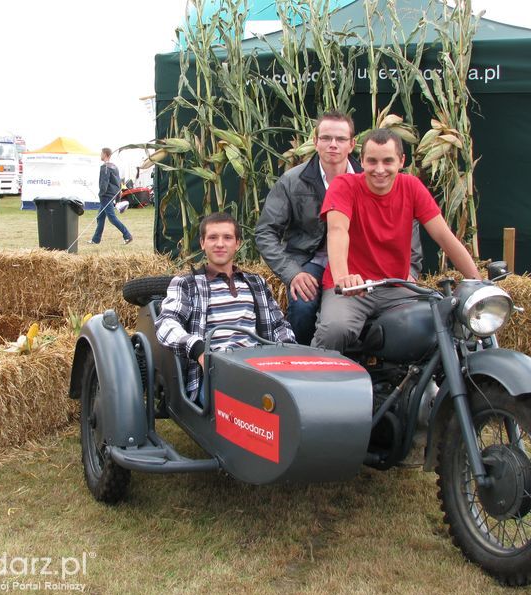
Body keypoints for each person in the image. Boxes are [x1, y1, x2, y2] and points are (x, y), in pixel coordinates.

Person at [255, 111, 423, 345]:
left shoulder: (374, 177)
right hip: (311, 261)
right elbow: (265, 232)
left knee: (409, 316)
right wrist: (293, 272)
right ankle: (303, 362)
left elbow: (407, 224)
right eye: (326, 138)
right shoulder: (292, 181)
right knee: (303, 305)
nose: (333, 145)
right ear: (315, 141)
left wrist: (411, 271)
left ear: (352, 144)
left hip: (360, 261)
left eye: (341, 139)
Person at [312, 129, 481, 353]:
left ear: (401, 161)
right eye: (372, 161)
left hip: (396, 287)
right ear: (361, 161)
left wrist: (478, 283)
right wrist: (343, 278)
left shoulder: (411, 187)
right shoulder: (344, 185)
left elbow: (444, 237)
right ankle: (317, 381)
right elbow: (337, 230)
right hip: (353, 289)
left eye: (387, 161)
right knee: (335, 330)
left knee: (442, 325)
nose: (379, 169)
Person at [156, 212, 296, 400]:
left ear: (237, 243)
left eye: (227, 238)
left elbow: (279, 325)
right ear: (202, 243)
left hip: (258, 367)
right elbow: (166, 324)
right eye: (213, 237)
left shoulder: (256, 283)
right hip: (215, 371)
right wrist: (198, 350)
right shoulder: (187, 284)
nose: (220, 244)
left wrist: (287, 351)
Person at [89, 147, 132, 245]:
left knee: (112, 218)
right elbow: (118, 183)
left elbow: (104, 182)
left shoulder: (105, 167)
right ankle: (96, 240)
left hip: (106, 196)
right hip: (111, 194)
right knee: (100, 217)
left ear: (105, 154)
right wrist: (116, 197)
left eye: (101, 153)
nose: (100, 155)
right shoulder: (114, 166)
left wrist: (101, 194)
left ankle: (127, 235)